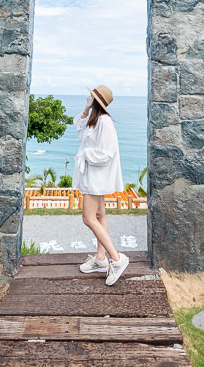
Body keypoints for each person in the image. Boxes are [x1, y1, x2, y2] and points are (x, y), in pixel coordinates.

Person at [72, 84, 129, 285]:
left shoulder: (105, 122)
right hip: (92, 175)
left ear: (96, 100)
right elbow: (79, 129)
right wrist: (86, 110)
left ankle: (116, 258)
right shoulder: (94, 119)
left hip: (96, 177)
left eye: (90, 98)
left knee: (88, 218)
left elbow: (107, 153)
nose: (88, 98)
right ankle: (100, 259)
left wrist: (86, 155)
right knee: (99, 215)